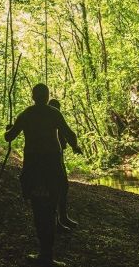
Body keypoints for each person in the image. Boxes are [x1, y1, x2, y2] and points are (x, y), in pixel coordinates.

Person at [5, 84, 82, 267]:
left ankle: (44, 254)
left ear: (33, 96)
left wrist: (9, 129)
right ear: (47, 97)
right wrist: (75, 146)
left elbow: (9, 137)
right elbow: (69, 134)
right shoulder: (54, 113)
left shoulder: (26, 114)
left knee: (39, 210)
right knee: (50, 209)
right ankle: (47, 255)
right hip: (52, 168)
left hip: (33, 169)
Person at [47, 98, 78, 232]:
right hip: (53, 159)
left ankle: (62, 217)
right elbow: (69, 134)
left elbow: (64, 135)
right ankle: (57, 220)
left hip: (54, 157)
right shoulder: (53, 118)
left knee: (60, 188)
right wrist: (74, 145)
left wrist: (74, 147)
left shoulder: (50, 119)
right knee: (60, 187)